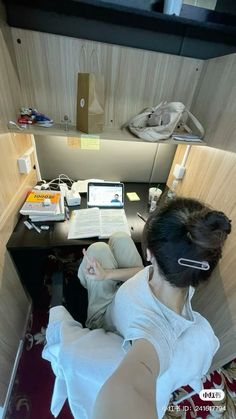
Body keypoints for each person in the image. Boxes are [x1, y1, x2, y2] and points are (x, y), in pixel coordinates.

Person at [77, 197, 231, 419]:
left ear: (149, 253)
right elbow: (144, 273)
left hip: (106, 320)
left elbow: (132, 390)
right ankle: (101, 273)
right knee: (120, 238)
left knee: (97, 248)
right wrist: (107, 275)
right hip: (132, 292)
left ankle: (86, 278)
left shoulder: (154, 334)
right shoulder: (183, 279)